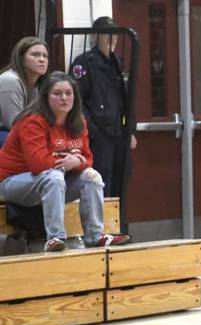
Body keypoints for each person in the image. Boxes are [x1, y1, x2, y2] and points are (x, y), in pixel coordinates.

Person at [0, 72, 131, 251]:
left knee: (91, 176)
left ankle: (95, 236)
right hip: (12, 183)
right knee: (53, 177)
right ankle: (55, 238)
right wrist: (70, 162)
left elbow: (88, 159)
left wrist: (77, 161)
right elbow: (37, 164)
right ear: (45, 97)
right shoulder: (32, 121)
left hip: (53, 180)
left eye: (68, 93)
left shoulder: (78, 121)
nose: (64, 98)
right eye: (57, 93)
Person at [70, 17, 137, 200]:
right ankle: (102, 227)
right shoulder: (84, 62)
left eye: (114, 34)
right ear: (95, 36)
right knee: (101, 181)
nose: (111, 39)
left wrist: (130, 130)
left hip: (119, 133)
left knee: (122, 179)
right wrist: (93, 131)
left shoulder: (118, 63)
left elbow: (127, 101)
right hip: (98, 135)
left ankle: (119, 224)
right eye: (106, 34)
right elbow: (77, 102)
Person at [0, 37, 48, 147]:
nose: (42, 59)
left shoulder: (34, 83)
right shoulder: (10, 80)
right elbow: (14, 124)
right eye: (35, 55)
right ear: (21, 58)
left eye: (45, 56)